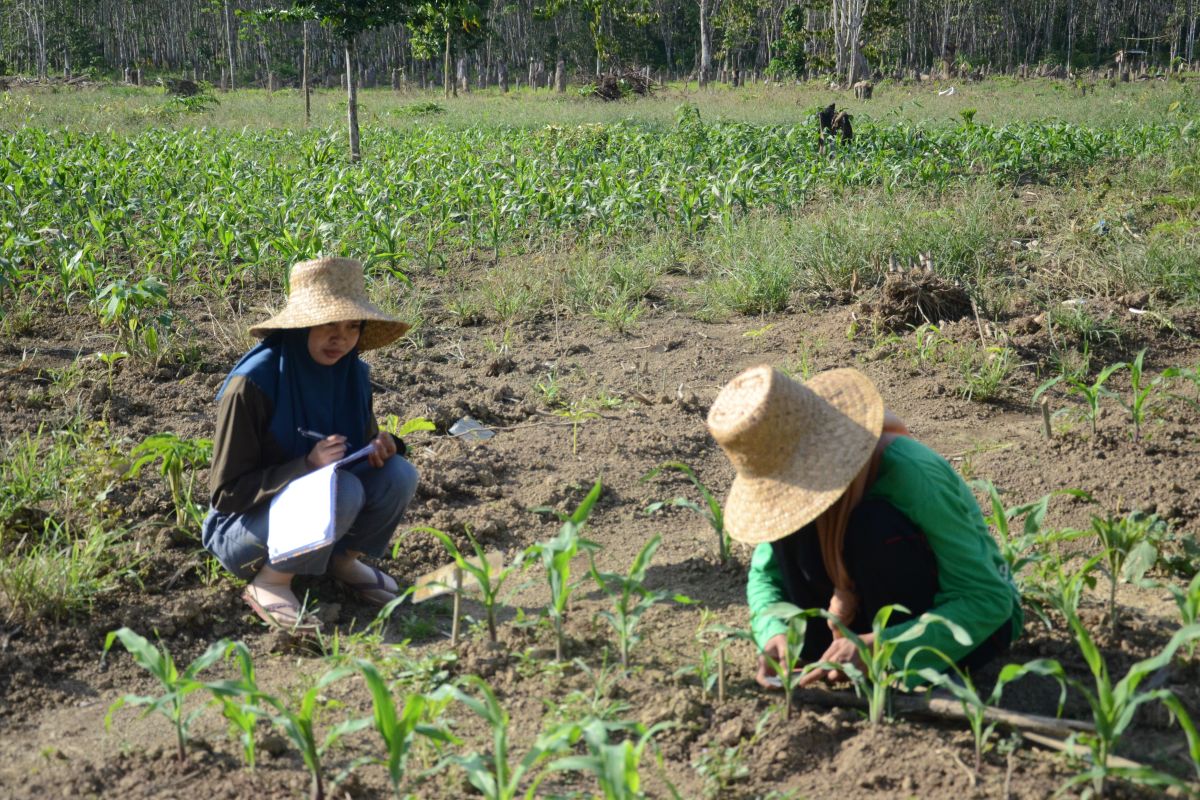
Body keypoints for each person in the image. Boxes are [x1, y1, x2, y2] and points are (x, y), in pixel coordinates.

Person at [705, 365, 1022, 688]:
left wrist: (882, 647)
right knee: (791, 535)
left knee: (872, 526)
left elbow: (988, 601)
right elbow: (765, 576)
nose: (799, 498)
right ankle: (838, 656)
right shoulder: (789, 501)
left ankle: (887, 668)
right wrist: (775, 631)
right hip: (845, 627)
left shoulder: (913, 475)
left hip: (962, 631)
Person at [202, 257, 419, 634]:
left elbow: (356, 450)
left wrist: (383, 446)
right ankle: (272, 581)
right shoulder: (253, 384)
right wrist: (306, 465)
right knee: (342, 488)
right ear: (301, 326)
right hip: (244, 529)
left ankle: (342, 561)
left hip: (316, 512)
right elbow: (226, 494)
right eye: (328, 325)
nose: (342, 338)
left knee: (398, 474)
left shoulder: (353, 374)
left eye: (352, 326)